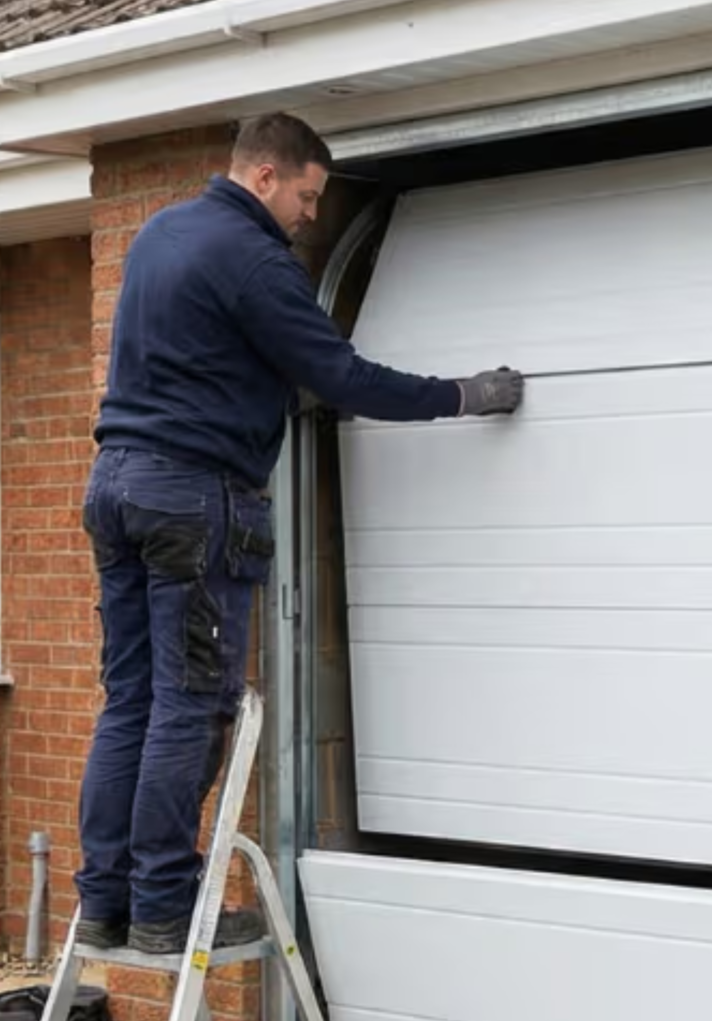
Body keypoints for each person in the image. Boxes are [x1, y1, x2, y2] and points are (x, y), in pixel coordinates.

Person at [74, 112, 526, 955]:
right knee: (188, 705)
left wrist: (276, 392)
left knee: (130, 700)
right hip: (194, 499)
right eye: (308, 197)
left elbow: (206, 360)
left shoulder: (161, 234)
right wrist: (464, 395)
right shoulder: (254, 257)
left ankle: (106, 903)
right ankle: (165, 907)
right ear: (266, 176)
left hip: (118, 483)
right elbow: (344, 375)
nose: (310, 216)